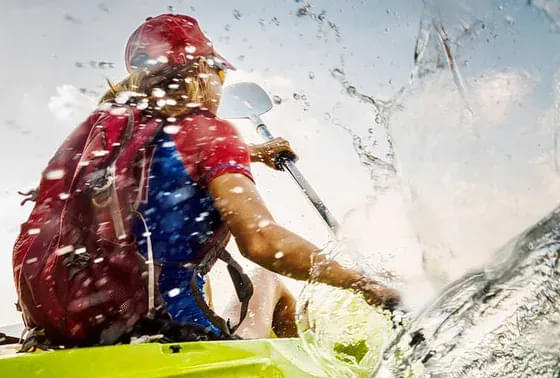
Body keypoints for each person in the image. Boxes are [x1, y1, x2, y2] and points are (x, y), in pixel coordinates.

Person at [15, 14, 398, 345]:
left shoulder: (111, 136)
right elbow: (262, 242)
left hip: (73, 330)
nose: (221, 85)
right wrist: (365, 283)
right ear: (202, 72)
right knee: (268, 277)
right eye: (220, 73)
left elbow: (169, 160)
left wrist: (253, 153)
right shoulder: (211, 132)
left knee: (177, 259)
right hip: (168, 331)